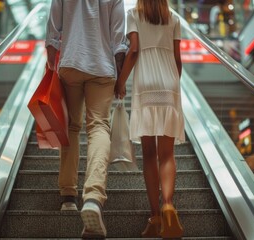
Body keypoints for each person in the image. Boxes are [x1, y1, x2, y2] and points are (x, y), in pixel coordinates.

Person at [45, 0, 127, 238]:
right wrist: (120, 80)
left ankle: (68, 196)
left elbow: (53, 33)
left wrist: (51, 66)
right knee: (99, 126)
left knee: (71, 127)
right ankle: (93, 197)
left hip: (71, 62)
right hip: (102, 68)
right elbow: (119, 41)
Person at [114, 0, 185, 238]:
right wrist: (174, 85)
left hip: (146, 83)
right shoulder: (173, 17)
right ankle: (167, 205)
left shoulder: (134, 14)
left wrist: (121, 81)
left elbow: (133, 50)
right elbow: (178, 59)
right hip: (169, 82)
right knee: (167, 154)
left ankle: (155, 217)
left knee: (149, 155)